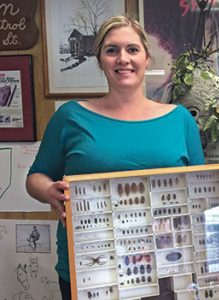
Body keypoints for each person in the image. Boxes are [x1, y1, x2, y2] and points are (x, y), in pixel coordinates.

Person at [26, 15, 204, 300]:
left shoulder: (179, 120)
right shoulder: (71, 117)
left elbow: (202, 191)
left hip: (167, 270)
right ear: (100, 60)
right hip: (89, 270)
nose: (123, 58)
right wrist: (49, 190)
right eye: (112, 50)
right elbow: (36, 176)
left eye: (132, 49)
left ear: (146, 58)